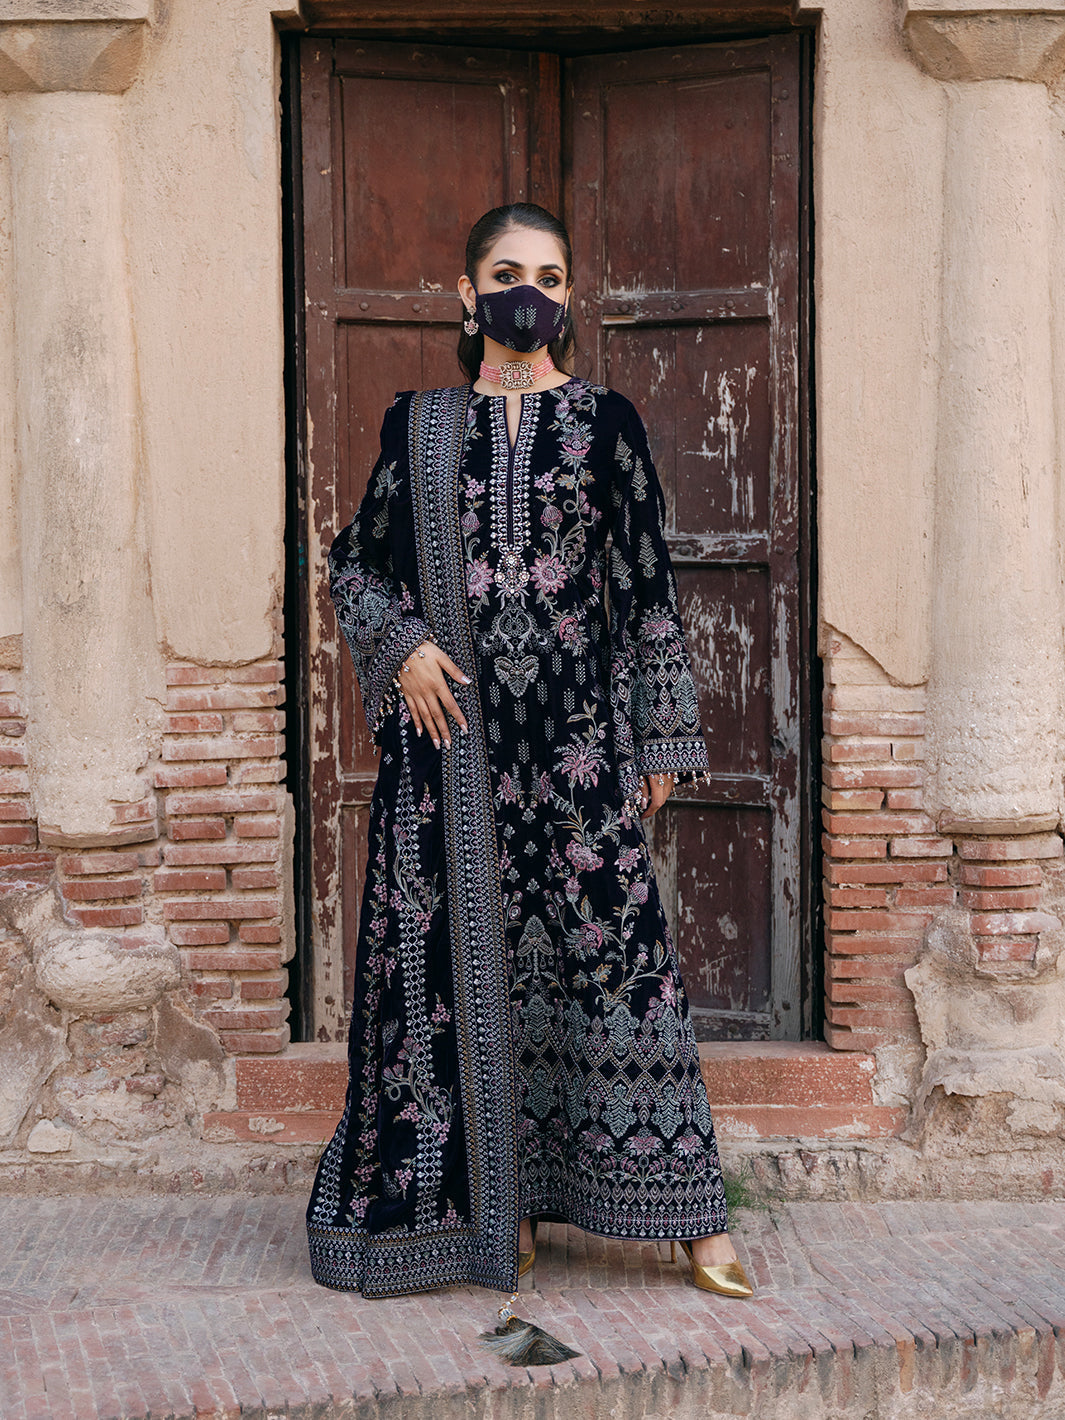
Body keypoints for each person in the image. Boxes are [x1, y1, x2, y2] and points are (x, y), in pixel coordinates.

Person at [306, 202, 753, 1303]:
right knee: (474, 976)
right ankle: (498, 1213)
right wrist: (401, 645)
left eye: (549, 278)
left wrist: (661, 732)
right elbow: (353, 564)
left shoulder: (607, 423)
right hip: (451, 756)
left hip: (576, 749)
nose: (528, 295)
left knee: (621, 960)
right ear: (467, 295)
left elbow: (645, 584)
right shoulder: (418, 426)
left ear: (568, 297)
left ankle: (690, 1215)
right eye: (507, 274)